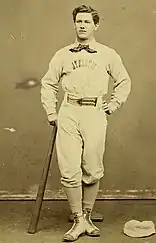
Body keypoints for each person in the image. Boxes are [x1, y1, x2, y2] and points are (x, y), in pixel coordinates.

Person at [41, 4, 131, 242]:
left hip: (94, 112)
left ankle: (88, 215)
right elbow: (48, 83)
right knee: (70, 169)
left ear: (95, 25)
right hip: (69, 111)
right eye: (78, 21)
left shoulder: (107, 54)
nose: (82, 25)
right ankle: (78, 219)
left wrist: (112, 105)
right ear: (74, 24)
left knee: (92, 167)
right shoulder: (62, 54)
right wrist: (52, 112)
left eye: (87, 22)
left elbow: (123, 81)